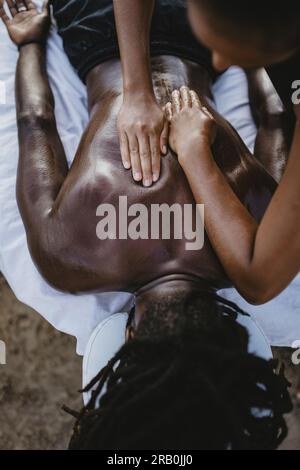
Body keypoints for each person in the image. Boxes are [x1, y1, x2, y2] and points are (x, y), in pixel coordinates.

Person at [0, 0, 292, 449]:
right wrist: (30, 42)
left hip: (201, 35)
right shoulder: (67, 259)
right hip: (95, 32)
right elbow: (36, 122)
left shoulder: (256, 233)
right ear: (130, 335)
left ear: (231, 330)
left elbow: (273, 119)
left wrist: (249, 47)